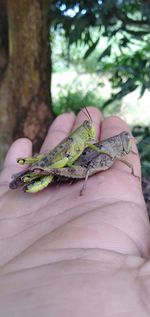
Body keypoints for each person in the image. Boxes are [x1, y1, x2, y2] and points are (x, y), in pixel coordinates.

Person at [0, 107, 149, 317]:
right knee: (58, 166)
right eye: (124, 141)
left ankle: (36, 172)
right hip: (69, 167)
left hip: (71, 161)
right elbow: (89, 166)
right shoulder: (101, 151)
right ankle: (34, 173)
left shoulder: (107, 151)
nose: (127, 142)